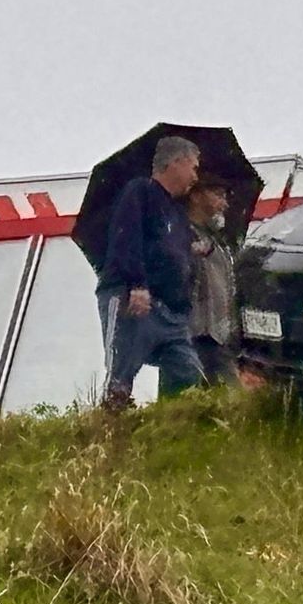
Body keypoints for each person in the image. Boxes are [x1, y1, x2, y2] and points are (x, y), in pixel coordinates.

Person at [95, 135, 206, 410]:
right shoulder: (139, 191)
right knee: (121, 374)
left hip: (172, 312)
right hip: (133, 299)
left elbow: (173, 250)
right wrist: (136, 284)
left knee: (188, 372)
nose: (196, 176)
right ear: (177, 162)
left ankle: (171, 428)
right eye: (193, 167)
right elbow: (126, 237)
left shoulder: (178, 212)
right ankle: (108, 432)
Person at [184, 174, 239, 387]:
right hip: (194, 336)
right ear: (196, 196)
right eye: (218, 195)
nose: (224, 204)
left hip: (219, 336)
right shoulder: (178, 233)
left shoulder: (217, 239)